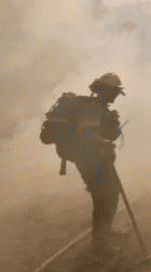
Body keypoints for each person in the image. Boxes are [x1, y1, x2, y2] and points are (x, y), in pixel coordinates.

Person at [40, 72, 126, 256]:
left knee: (107, 194)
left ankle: (104, 234)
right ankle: (101, 243)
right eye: (113, 91)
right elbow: (88, 136)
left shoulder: (97, 106)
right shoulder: (94, 108)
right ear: (104, 90)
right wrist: (104, 145)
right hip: (89, 159)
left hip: (91, 157)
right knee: (105, 196)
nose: (115, 96)